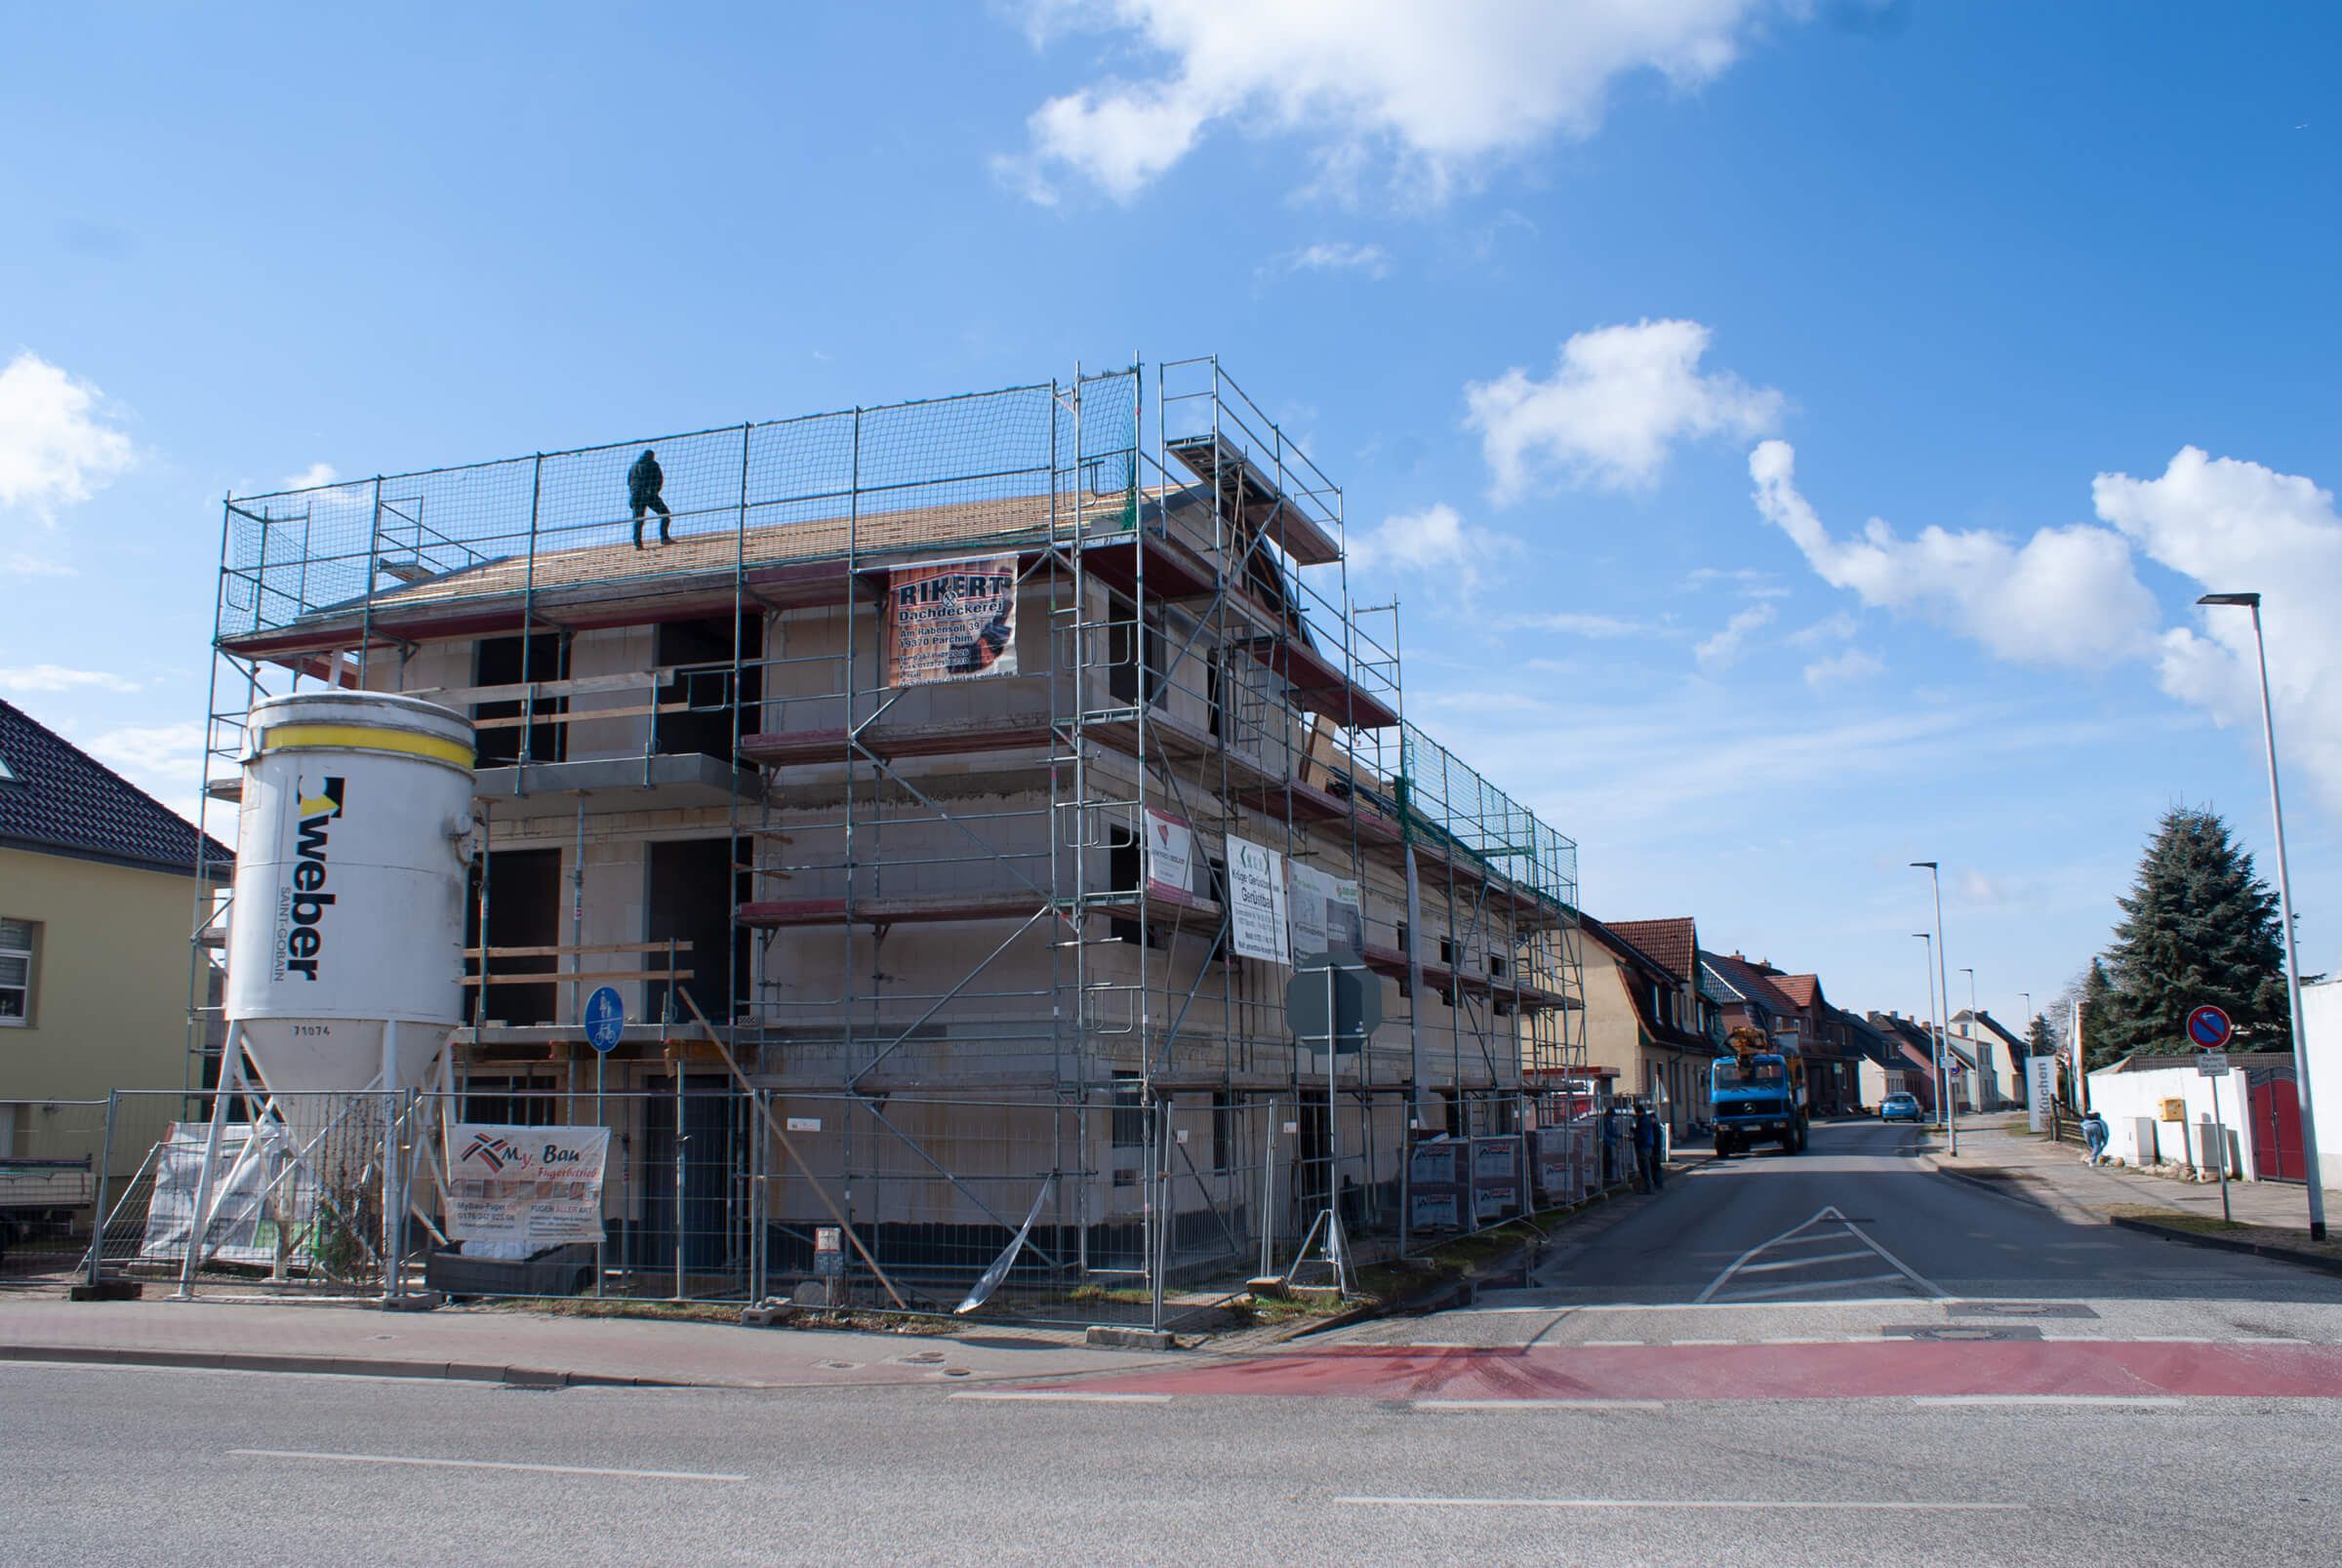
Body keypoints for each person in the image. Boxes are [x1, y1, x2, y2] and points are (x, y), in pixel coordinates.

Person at [627, 448, 672, 549]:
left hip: (635, 496)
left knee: (638, 520)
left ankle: (637, 543)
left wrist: (633, 495)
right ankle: (664, 538)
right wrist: (653, 492)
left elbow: (629, 482)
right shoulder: (653, 464)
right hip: (649, 494)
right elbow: (658, 480)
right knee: (665, 514)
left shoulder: (633, 467)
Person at [1632, 1103, 1663, 1192]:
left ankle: (1649, 1187)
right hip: (1649, 1146)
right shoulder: (1647, 1120)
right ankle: (1652, 1186)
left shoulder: (1643, 1121)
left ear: (1639, 1112)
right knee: (1648, 1167)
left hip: (1644, 1147)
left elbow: (1642, 1135)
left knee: (1645, 1168)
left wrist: (1634, 1136)